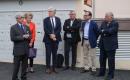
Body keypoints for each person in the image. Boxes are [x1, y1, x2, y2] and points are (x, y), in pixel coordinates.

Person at [97, 12, 119, 80]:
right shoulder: (103, 22)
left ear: (111, 17)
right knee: (102, 60)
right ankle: (101, 73)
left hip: (111, 46)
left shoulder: (115, 23)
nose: (105, 17)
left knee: (111, 61)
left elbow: (111, 31)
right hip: (102, 45)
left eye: (106, 16)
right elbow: (99, 30)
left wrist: (103, 31)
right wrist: (104, 31)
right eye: (105, 16)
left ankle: (110, 75)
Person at [10, 15, 31, 80]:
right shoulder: (13, 27)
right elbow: (12, 38)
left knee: (25, 66)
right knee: (16, 67)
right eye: (21, 18)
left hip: (26, 50)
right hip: (18, 51)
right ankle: (14, 78)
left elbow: (30, 36)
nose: (22, 19)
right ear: (17, 19)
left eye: (22, 18)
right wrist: (23, 37)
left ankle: (23, 77)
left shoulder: (26, 27)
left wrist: (28, 36)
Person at [43, 7, 62, 74]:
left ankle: (54, 68)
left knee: (54, 54)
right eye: (48, 11)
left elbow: (59, 29)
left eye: (50, 11)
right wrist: (50, 35)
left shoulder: (58, 19)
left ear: (54, 12)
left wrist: (54, 35)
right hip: (48, 40)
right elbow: (45, 29)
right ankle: (48, 68)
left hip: (56, 39)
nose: (49, 12)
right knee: (48, 54)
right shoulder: (45, 20)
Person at [80, 11, 99, 75]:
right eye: (84, 15)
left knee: (92, 56)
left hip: (91, 41)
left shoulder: (94, 23)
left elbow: (97, 32)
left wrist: (94, 39)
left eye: (86, 15)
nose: (85, 16)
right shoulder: (83, 23)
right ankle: (86, 68)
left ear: (90, 16)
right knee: (85, 55)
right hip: (84, 41)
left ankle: (93, 69)